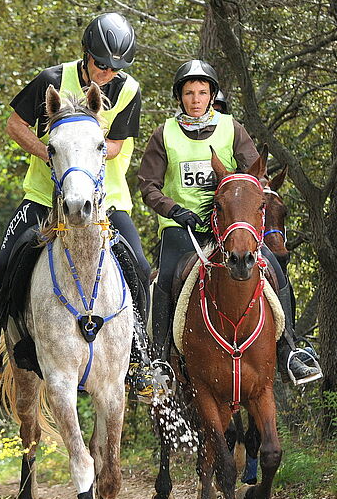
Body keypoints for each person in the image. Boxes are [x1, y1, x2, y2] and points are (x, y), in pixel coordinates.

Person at [0, 12, 160, 397]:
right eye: (100, 64)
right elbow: (14, 126)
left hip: (105, 196)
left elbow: (118, 144)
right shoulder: (51, 81)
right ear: (85, 54)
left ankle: (142, 360)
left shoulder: (129, 89)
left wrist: (84, 154)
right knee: (5, 263)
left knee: (138, 265)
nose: (106, 73)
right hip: (44, 194)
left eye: (114, 67)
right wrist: (52, 155)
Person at [138, 59, 322, 385]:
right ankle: (160, 362)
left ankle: (290, 351)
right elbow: (148, 185)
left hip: (231, 225)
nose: (195, 99)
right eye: (189, 93)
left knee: (276, 270)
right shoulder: (163, 134)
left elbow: (255, 171)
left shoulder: (231, 128)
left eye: (202, 92)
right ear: (179, 97)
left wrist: (247, 206)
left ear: (212, 96)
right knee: (165, 280)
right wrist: (174, 209)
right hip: (183, 228)